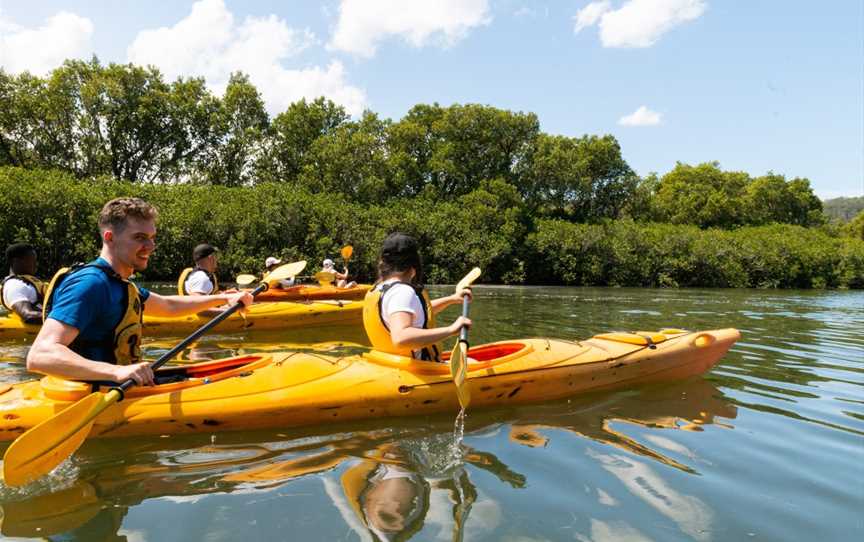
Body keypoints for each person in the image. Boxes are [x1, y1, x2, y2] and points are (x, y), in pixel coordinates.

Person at [26, 197, 252, 386]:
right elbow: (40, 355)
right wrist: (116, 373)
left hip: (122, 386)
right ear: (110, 237)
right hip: (93, 394)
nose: (151, 247)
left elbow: (168, 305)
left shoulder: (121, 283)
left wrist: (225, 298)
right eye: (140, 238)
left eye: (152, 238)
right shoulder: (91, 284)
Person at [362, 232, 471, 362]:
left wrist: (452, 299)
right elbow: (401, 338)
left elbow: (417, 312)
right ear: (414, 264)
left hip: (390, 363)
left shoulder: (379, 288)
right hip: (420, 369)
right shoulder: (402, 292)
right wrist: (450, 330)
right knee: (473, 362)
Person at [0, 243, 45, 324]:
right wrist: (69, 317)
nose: (35, 264)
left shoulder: (27, 282)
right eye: (31, 260)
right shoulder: (15, 285)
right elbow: (28, 315)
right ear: (15, 261)